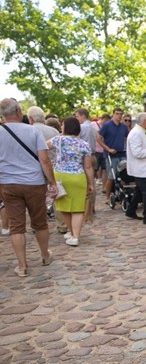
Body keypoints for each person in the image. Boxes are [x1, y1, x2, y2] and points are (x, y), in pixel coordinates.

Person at [0, 98, 57, 277]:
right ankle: (44, 255)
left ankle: (22, 265)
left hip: (9, 183)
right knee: (39, 222)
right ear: (18, 111)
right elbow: (44, 160)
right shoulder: (33, 131)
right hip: (34, 182)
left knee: (16, 226)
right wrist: (53, 182)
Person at [50, 117, 94, 247]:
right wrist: (91, 183)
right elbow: (88, 166)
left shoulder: (58, 140)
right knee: (78, 207)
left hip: (61, 176)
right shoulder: (84, 144)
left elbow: (42, 147)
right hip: (78, 176)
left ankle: (71, 231)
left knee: (64, 206)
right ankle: (75, 235)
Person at [126, 112, 146, 224]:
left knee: (139, 191)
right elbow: (137, 153)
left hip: (143, 167)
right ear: (144, 121)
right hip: (139, 168)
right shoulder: (136, 133)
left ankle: (130, 210)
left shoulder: (143, 132)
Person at [97, 108, 128, 204]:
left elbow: (127, 138)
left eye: (120, 114)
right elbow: (98, 138)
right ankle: (107, 197)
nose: (119, 116)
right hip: (111, 155)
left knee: (123, 175)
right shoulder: (107, 126)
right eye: (117, 114)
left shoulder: (123, 126)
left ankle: (122, 194)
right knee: (111, 176)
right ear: (113, 114)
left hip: (122, 153)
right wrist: (108, 149)